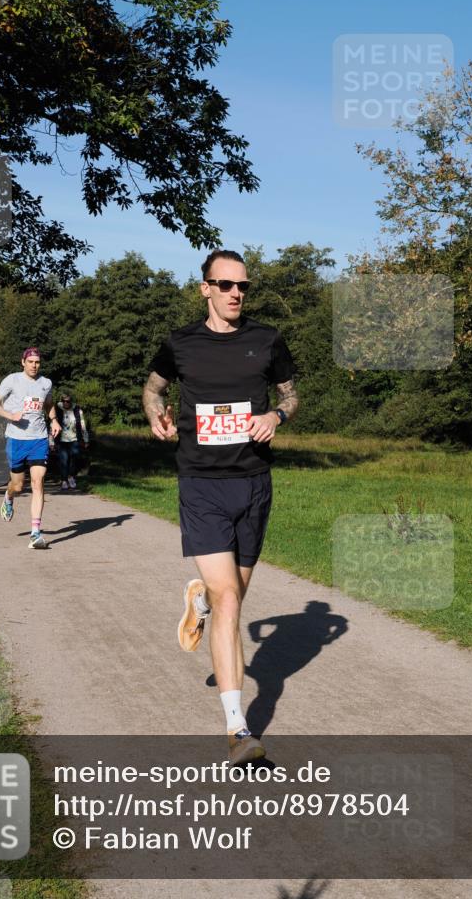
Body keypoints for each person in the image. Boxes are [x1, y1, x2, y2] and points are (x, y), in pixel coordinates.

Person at [143, 249, 298, 764]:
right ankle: (238, 730)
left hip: (253, 483)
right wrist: (156, 414)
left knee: (234, 598)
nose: (237, 293)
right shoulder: (181, 343)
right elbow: (153, 388)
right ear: (204, 288)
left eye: (244, 286)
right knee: (231, 599)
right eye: (225, 284)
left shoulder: (266, 340)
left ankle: (200, 601)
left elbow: (291, 395)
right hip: (201, 483)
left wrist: (276, 415)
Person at [0, 348, 61, 549]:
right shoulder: (12, 380)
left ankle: (35, 533)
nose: (34, 365)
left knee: (38, 482)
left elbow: (48, 404)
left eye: (37, 362)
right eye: (30, 362)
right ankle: (8, 497)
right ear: (23, 362)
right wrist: (10, 416)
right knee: (18, 486)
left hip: (38, 439)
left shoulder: (46, 383)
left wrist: (53, 420)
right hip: (17, 440)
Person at [54, 393, 89, 490]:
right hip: (61, 440)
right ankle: (64, 480)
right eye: (64, 401)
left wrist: (86, 439)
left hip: (74, 439)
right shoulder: (57, 410)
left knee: (75, 459)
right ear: (62, 401)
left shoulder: (77, 410)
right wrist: (51, 442)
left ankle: (71, 477)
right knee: (63, 461)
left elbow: (83, 425)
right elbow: (52, 426)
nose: (66, 403)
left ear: (71, 401)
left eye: (68, 401)